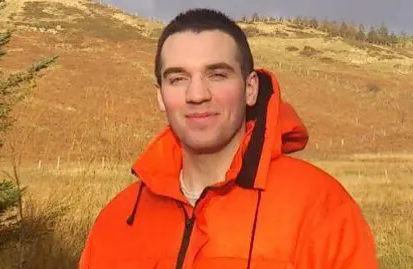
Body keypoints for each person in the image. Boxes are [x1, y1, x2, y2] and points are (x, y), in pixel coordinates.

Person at [79, 8, 379, 269]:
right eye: (178, 78)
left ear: (250, 89)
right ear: (160, 96)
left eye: (217, 75)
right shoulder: (117, 220)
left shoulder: (320, 208)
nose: (197, 95)